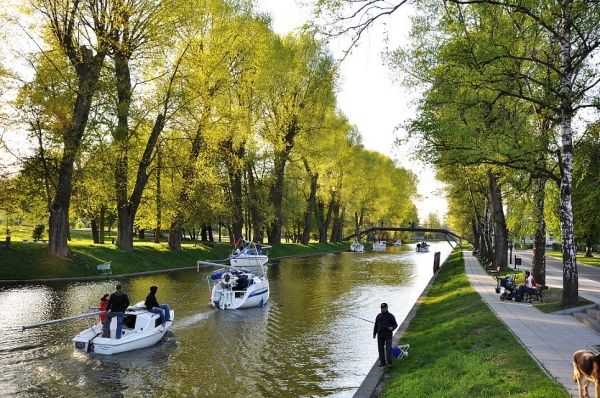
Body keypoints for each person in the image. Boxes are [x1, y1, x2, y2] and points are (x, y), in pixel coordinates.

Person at [373, 303, 398, 368]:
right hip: (380, 335)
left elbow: (395, 324)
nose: (383, 309)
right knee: (380, 349)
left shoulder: (390, 316)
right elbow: (376, 325)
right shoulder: (378, 316)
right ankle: (382, 362)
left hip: (388, 335)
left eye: (384, 308)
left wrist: (392, 328)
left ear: (387, 308)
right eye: (382, 308)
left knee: (388, 349)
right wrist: (374, 333)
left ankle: (389, 362)